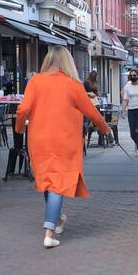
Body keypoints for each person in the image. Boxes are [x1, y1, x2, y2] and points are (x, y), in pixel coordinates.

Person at [15, 46, 109, 248]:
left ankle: (57, 220)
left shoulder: (35, 81)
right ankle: (49, 232)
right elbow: (91, 112)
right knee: (57, 183)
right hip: (65, 141)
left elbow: (23, 108)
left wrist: (19, 127)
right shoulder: (72, 85)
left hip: (39, 140)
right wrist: (105, 129)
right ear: (68, 62)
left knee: (48, 180)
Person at [121, 69, 138, 156]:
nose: (133, 77)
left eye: (134, 75)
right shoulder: (127, 86)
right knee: (132, 134)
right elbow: (125, 99)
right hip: (131, 110)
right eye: (131, 75)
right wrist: (123, 110)